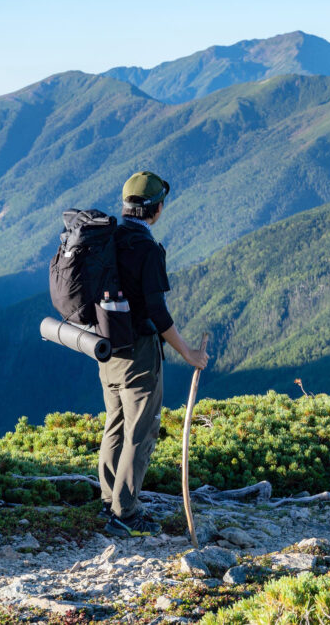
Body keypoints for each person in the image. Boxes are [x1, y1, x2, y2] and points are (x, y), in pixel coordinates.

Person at [98, 170, 209, 538]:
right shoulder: (146, 249)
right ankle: (125, 514)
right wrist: (189, 353)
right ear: (156, 209)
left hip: (106, 347)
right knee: (142, 431)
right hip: (139, 354)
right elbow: (158, 313)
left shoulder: (106, 239)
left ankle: (109, 499)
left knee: (116, 422)